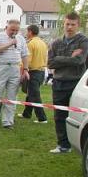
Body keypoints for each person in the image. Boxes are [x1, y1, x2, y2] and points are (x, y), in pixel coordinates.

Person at [47, 12, 88, 153]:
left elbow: (80, 61)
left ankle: (79, 143)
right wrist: (70, 58)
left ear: (78, 25)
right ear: (63, 24)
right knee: (59, 115)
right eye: (67, 24)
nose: (69, 27)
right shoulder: (56, 43)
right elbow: (50, 63)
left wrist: (59, 59)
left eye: (73, 24)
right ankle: (63, 145)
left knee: (78, 116)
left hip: (77, 83)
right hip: (59, 83)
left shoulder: (83, 41)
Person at [0, 19, 29, 129]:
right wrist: (10, 43)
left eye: (16, 30)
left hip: (15, 68)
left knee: (12, 96)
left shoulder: (21, 39)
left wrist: (25, 69)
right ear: (6, 27)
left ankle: (8, 121)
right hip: (1, 67)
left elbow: (25, 54)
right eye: (12, 30)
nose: (14, 32)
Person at [19, 24, 48, 123]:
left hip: (33, 72)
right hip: (41, 71)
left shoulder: (30, 44)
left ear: (30, 32)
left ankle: (42, 118)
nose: (26, 33)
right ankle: (26, 113)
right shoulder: (42, 43)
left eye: (27, 31)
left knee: (35, 96)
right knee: (30, 93)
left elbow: (27, 60)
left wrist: (22, 71)